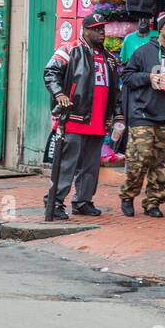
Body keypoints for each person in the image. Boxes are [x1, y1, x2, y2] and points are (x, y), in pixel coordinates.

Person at [44, 12, 119, 219]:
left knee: (91, 166)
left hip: (98, 120)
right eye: (96, 29)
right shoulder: (69, 49)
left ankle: (83, 201)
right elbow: (50, 72)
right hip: (75, 117)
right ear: (85, 30)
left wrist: (117, 115)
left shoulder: (110, 58)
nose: (101, 32)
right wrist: (59, 94)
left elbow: (116, 91)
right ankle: (55, 202)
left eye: (102, 28)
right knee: (67, 164)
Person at [120, 12, 165, 217]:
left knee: (164, 164)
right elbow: (127, 76)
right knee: (138, 158)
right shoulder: (143, 52)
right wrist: (147, 77)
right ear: (160, 29)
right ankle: (128, 196)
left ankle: (153, 203)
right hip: (143, 115)